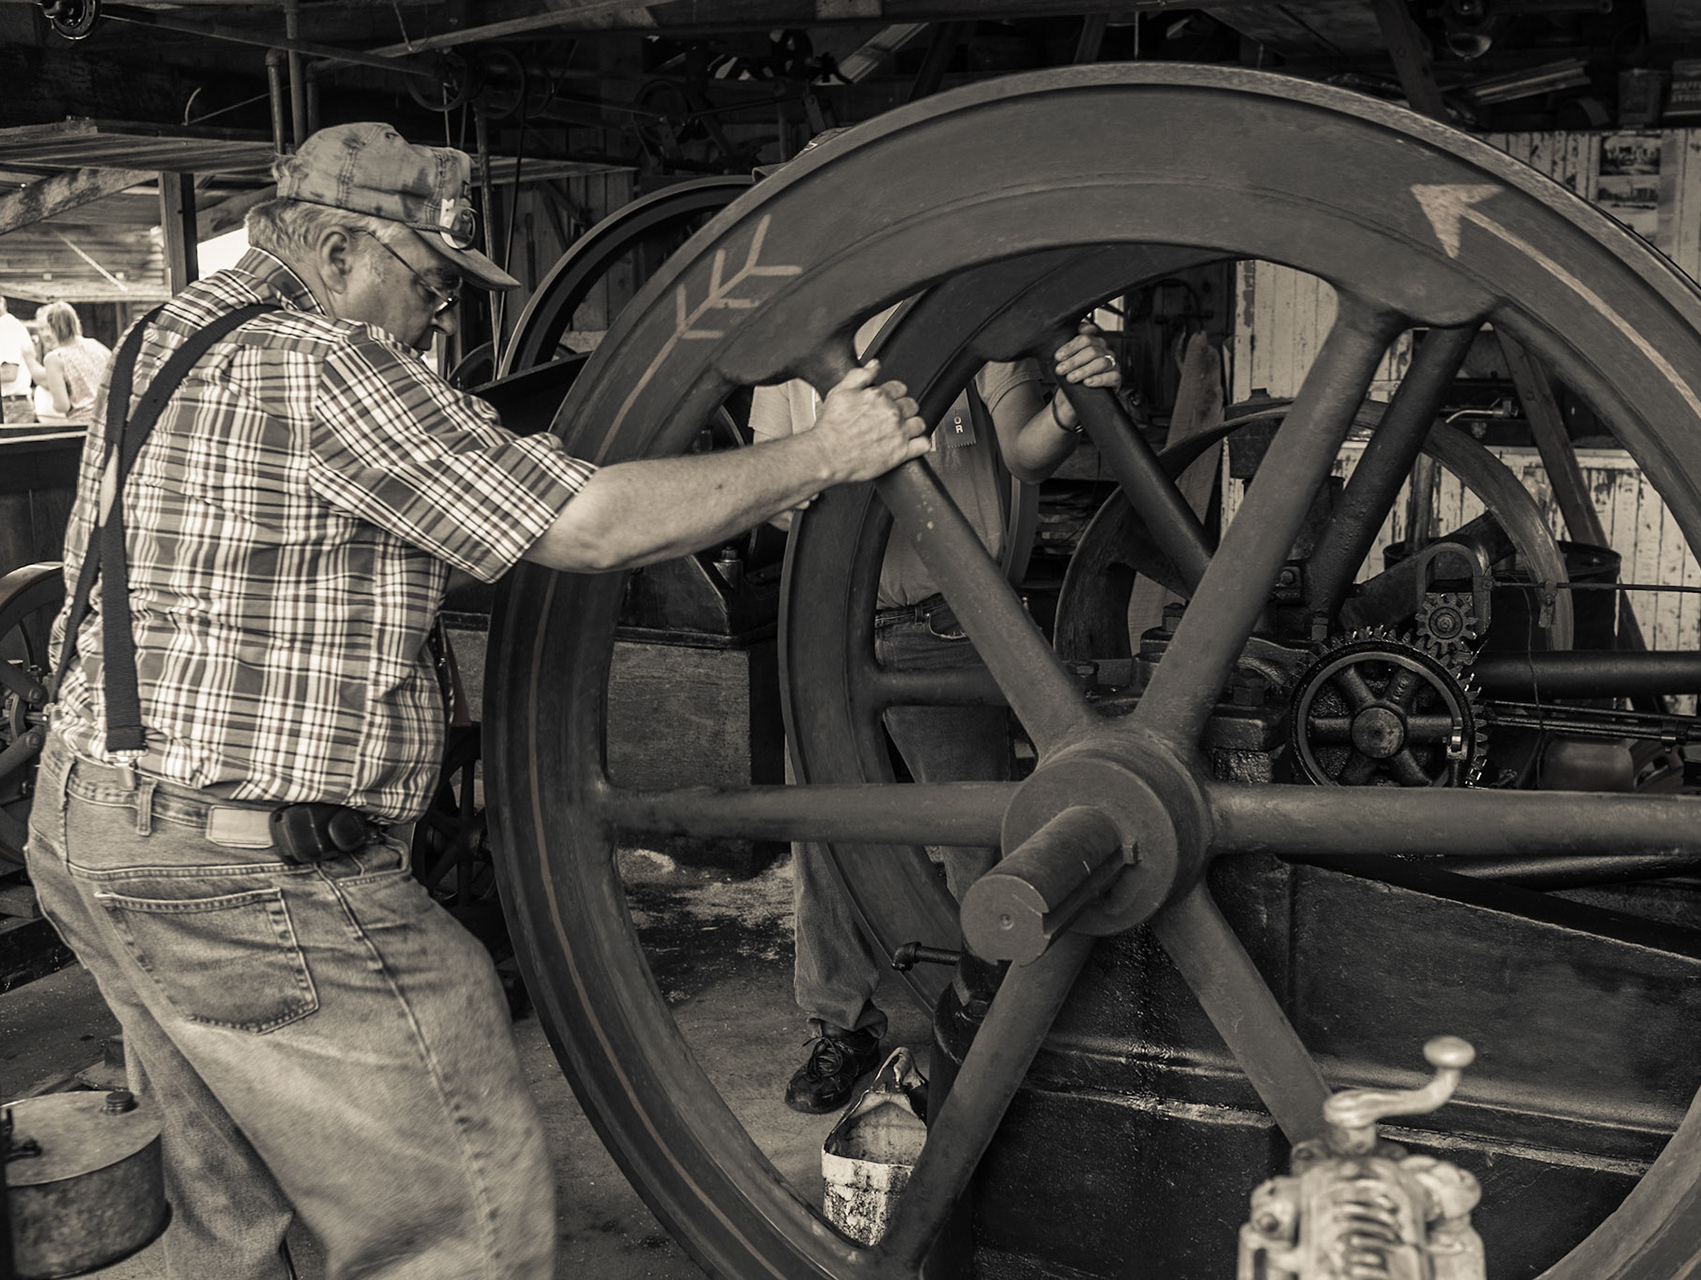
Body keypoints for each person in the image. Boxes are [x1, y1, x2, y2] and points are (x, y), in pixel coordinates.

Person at [25, 121, 927, 1280]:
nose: (436, 323)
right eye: (431, 285)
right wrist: (822, 453)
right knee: (456, 1223)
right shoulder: (326, 365)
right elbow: (591, 524)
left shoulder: (166, 331)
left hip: (94, 828)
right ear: (344, 250)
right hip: (249, 874)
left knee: (220, 1213)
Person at [752, 309, 1122, 1113]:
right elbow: (772, 497)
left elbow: (1026, 452)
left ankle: (993, 1025)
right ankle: (838, 1025)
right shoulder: (798, 329)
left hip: (945, 625)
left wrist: (1069, 404)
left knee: (975, 838)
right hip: (825, 630)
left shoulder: (974, 311)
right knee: (824, 836)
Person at [29, 300, 111, 421]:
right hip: (110, 419)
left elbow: (62, 405)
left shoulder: (55, 358)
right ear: (75, 322)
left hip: (83, 424)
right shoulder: (96, 345)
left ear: (51, 328)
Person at [0, 296, 34, 424]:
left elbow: (9, 373)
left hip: (13, 406)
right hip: (12, 404)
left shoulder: (6, 326)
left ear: (1, 302)